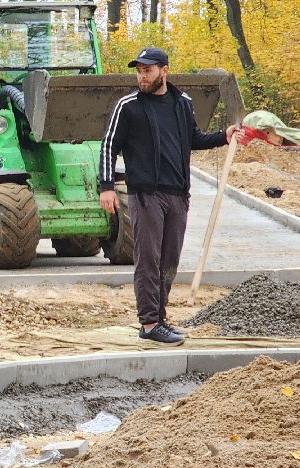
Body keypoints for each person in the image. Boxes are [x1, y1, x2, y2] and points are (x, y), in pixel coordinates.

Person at [98, 46, 238, 344]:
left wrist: (223, 137)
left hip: (177, 195)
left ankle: (159, 318)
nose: (142, 76)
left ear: (164, 70)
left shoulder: (182, 103)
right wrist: (106, 186)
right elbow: (109, 145)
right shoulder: (129, 105)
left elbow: (193, 139)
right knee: (148, 260)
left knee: (169, 261)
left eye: (147, 70)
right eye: (138, 70)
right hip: (145, 195)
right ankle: (149, 324)